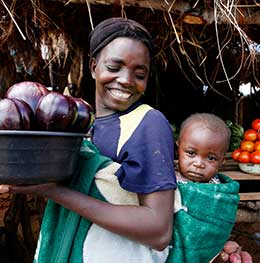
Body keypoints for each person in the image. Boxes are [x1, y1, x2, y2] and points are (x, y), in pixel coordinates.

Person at [0, 18, 252, 263]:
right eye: (113, 67)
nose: (126, 80)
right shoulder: (85, 125)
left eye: (139, 73)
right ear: (93, 67)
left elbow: (158, 231)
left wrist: (54, 192)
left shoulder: (147, 124)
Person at [170, 113, 240, 263]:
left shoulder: (220, 192)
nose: (199, 163)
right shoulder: (166, 178)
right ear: (178, 148)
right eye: (191, 153)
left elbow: (217, 225)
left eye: (211, 158)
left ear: (222, 161)